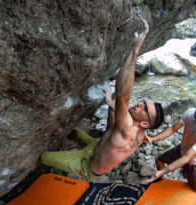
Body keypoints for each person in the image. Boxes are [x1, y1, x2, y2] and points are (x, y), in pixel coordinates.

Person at [41, 19, 165, 180]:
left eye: (145, 109)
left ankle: (36, 176)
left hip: (87, 165)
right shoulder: (141, 135)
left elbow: (123, 94)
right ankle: (70, 142)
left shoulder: (127, 127)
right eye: (144, 103)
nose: (140, 104)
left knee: (44, 157)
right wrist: (111, 105)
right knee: (75, 132)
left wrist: (135, 49)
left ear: (144, 124)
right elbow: (111, 129)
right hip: (97, 147)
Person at [144, 93, 196, 192]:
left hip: (193, 161)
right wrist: (152, 139)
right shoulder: (190, 113)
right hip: (182, 149)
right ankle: (160, 181)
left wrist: (164, 171)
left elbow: (186, 158)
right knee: (159, 161)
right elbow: (172, 129)